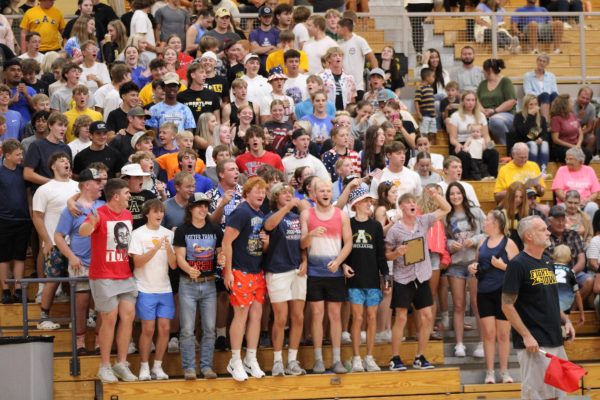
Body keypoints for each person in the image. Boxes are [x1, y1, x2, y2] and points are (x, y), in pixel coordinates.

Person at [501, 215, 576, 400]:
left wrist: (566, 320)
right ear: (529, 236)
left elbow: (550, 298)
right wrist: (526, 336)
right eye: (543, 229)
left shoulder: (547, 261)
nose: (548, 232)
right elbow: (507, 305)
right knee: (538, 396)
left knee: (557, 395)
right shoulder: (517, 265)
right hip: (535, 344)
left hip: (555, 340)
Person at [79, 178, 138, 383]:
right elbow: (83, 231)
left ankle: (121, 364)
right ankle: (104, 366)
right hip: (103, 275)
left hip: (125, 274)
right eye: (126, 193)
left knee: (128, 315)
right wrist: (91, 223)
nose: (129, 196)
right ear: (115, 196)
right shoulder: (99, 214)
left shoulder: (128, 215)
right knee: (110, 317)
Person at [386, 187, 451, 370]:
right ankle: (394, 358)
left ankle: (420, 356)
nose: (412, 204)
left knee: (427, 316)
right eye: (408, 202)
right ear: (401, 207)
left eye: (414, 201)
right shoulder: (395, 230)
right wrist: (396, 253)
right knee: (400, 318)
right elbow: (386, 254)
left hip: (421, 276)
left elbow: (446, 209)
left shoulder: (423, 221)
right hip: (403, 278)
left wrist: (435, 195)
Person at [300, 177, 353, 374]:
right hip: (314, 272)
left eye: (328, 191)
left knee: (335, 316)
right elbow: (302, 245)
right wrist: (310, 235)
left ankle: (337, 360)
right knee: (316, 315)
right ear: (313, 194)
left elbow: (348, 243)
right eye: (321, 191)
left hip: (335, 273)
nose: (325, 194)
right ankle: (318, 360)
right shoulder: (306, 214)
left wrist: (339, 262)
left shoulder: (341, 215)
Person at [222, 177, 269, 381]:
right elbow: (226, 242)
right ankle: (235, 360)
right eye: (257, 191)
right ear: (247, 193)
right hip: (240, 270)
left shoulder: (261, 214)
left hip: (257, 271)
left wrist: (265, 243)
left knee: (256, 315)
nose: (261, 194)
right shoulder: (241, 212)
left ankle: (251, 357)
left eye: (263, 191)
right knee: (240, 315)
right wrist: (228, 271)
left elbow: (258, 245)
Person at [54, 167, 105, 353]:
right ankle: (80, 342)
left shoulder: (102, 205)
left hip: (101, 264)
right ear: (86, 185)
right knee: (81, 304)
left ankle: (100, 342)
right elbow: (58, 236)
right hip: (80, 263)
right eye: (97, 181)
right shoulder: (71, 210)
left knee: (101, 304)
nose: (101, 184)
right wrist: (71, 257)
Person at [343, 184, 390, 372]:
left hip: (372, 278)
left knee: (371, 317)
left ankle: (369, 357)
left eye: (370, 201)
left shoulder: (376, 226)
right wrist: (344, 264)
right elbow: (342, 248)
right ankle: (356, 357)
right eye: (366, 201)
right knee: (357, 317)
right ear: (356, 204)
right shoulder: (348, 223)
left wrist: (385, 274)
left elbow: (381, 253)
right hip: (355, 279)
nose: (369, 204)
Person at [129, 199, 176, 381]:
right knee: (148, 329)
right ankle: (144, 367)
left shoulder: (168, 234)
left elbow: (173, 266)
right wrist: (156, 248)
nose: (159, 214)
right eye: (155, 211)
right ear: (147, 213)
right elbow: (137, 262)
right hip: (144, 288)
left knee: (164, 329)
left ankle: (158, 366)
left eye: (161, 211)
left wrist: (169, 250)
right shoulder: (138, 234)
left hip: (165, 288)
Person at [263, 183, 308, 376]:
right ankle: (277, 362)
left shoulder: (298, 218)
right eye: (284, 193)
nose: (289, 195)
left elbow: (303, 242)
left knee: (298, 317)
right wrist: (287, 207)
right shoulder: (272, 216)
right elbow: (268, 226)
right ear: (275, 198)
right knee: (281, 318)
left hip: (297, 270)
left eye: (291, 193)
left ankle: (292, 361)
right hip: (277, 270)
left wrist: (305, 260)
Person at [469, 210, 518, 384]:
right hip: (484, 292)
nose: (484, 222)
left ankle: (504, 372)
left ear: (496, 223)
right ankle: (489, 371)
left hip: (503, 294)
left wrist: (502, 266)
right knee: (488, 334)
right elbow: (478, 263)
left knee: (503, 334)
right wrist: (473, 267)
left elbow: (518, 271)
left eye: (487, 219)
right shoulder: (481, 242)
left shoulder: (509, 243)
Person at [32, 152, 80, 331]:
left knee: (80, 281)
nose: (66, 163)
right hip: (54, 241)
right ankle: (44, 317)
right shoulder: (45, 189)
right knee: (53, 279)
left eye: (68, 161)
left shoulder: (78, 187)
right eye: (62, 161)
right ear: (53, 166)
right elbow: (37, 217)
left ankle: (82, 317)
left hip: (77, 244)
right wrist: (46, 241)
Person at [445, 181, 486, 358]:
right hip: (456, 264)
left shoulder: (475, 212)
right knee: (459, 305)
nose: (455, 196)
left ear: (463, 194)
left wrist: (475, 240)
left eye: (458, 193)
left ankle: (482, 342)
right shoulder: (445, 216)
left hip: (475, 263)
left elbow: (488, 232)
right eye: (452, 194)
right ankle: (459, 344)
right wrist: (449, 244)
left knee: (477, 304)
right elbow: (442, 239)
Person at [0, 140, 32, 304]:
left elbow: (28, 194)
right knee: (4, 257)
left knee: (20, 256)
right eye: (18, 154)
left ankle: (19, 289)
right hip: (4, 219)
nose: (21, 157)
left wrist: (30, 214)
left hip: (23, 219)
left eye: (21, 154)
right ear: (7, 155)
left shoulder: (23, 172)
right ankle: (5, 290)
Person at [545, 205, 594, 311]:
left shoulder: (573, 234)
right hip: (553, 273)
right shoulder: (545, 235)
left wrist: (570, 272)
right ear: (550, 221)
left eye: (563, 220)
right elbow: (544, 261)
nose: (561, 223)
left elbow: (581, 259)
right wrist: (560, 273)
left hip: (573, 271)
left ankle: (570, 310)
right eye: (558, 220)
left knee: (589, 280)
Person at [446, 91, 499, 180]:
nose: (470, 103)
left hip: (479, 143)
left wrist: (489, 145)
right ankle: (468, 179)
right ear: (462, 101)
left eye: (473, 100)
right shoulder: (455, 116)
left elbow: (486, 136)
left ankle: (491, 178)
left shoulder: (481, 116)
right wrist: (458, 145)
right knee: (464, 155)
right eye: (468, 100)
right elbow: (452, 138)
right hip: (462, 143)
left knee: (493, 153)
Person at [476, 59, 517, 146]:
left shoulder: (505, 81)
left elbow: (511, 101)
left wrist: (494, 111)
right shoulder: (482, 84)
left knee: (495, 120)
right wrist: (483, 111)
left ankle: (505, 147)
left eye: (484, 71)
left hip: (505, 114)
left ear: (489, 70)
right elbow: (476, 100)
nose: (483, 73)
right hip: (485, 114)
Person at [550, 94, 590, 165]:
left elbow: (580, 132)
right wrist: (572, 146)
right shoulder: (556, 119)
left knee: (588, 154)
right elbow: (555, 139)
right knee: (573, 156)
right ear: (564, 105)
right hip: (562, 147)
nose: (573, 104)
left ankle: (580, 173)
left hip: (575, 145)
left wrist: (578, 145)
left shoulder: (572, 115)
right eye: (571, 102)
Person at [513, 95, 550, 169]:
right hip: (521, 144)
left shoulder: (541, 119)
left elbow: (545, 134)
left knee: (545, 143)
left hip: (536, 143)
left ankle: (542, 169)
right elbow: (524, 133)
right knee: (532, 144)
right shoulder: (519, 116)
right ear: (526, 105)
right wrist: (530, 116)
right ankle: (532, 169)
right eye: (531, 104)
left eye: (536, 104)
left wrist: (541, 139)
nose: (534, 106)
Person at [552, 245, 585, 326]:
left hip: (550, 304)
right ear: (570, 257)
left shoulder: (548, 269)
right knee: (563, 326)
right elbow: (577, 294)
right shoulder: (570, 272)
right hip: (565, 305)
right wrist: (581, 313)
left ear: (553, 255)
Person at [523, 55, 558, 123]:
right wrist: (542, 95)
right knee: (545, 95)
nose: (541, 63)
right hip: (535, 99)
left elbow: (555, 90)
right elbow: (528, 92)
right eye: (540, 60)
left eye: (544, 61)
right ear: (537, 61)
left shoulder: (551, 76)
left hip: (550, 99)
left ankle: (554, 122)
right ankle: (545, 122)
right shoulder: (528, 76)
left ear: (547, 64)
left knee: (555, 95)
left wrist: (547, 95)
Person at [414, 68, 437, 139]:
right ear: (427, 77)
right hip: (424, 115)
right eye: (433, 77)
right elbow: (416, 101)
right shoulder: (420, 88)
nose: (434, 79)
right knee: (424, 133)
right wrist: (418, 113)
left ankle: (430, 146)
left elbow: (432, 102)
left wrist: (434, 111)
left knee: (432, 132)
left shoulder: (431, 88)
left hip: (432, 115)